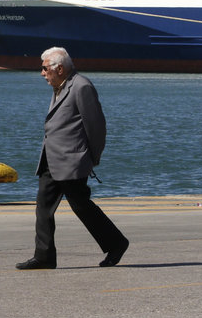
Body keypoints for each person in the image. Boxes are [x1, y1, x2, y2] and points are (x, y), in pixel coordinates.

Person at [16, 47, 129, 270]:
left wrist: (92, 158)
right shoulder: (59, 85)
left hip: (72, 161)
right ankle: (44, 256)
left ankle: (116, 243)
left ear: (59, 68)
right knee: (43, 206)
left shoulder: (81, 86)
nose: (42, 73)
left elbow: (96, 127)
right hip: (51, 158)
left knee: (81, 206)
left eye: (45, 68)